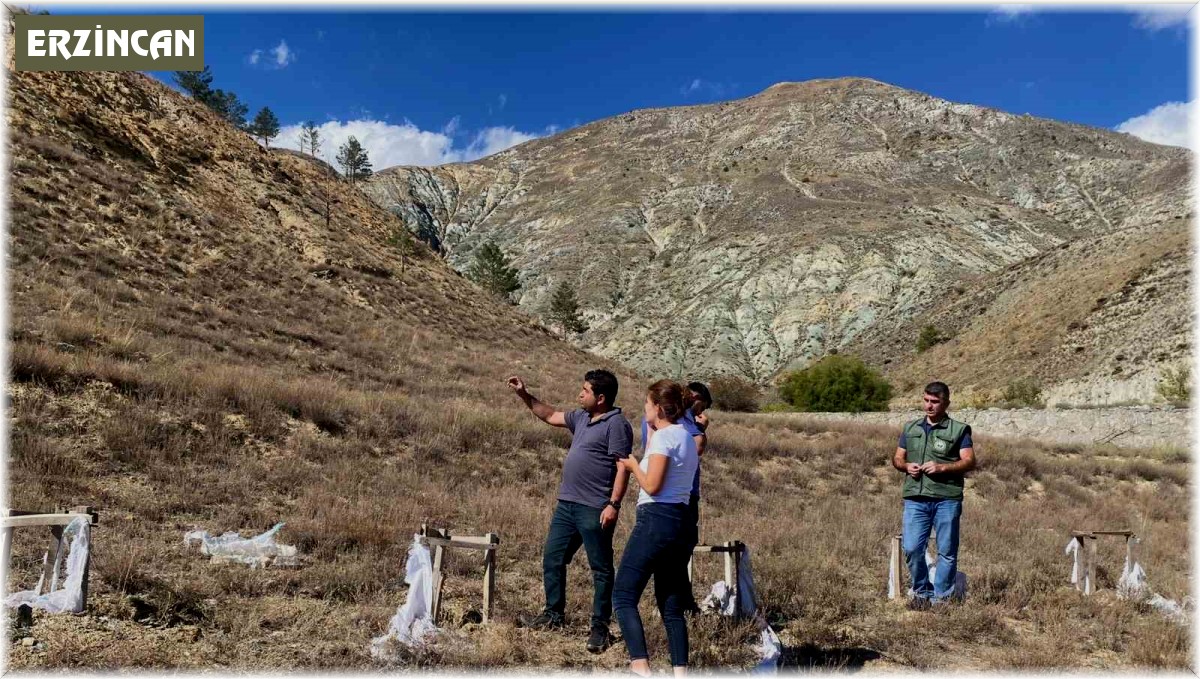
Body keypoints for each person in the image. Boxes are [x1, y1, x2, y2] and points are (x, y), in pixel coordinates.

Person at [507, 369, 633, 653]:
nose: (580, 394)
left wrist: (613, 504)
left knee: (600, 569)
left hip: (595, 508)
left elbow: (622, 466)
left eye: (585, 390)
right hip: (567, 505)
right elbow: (550, 415)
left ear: (601, 398)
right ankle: (553, 615)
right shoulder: (581, 418)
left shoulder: (617, 425)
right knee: (553, 557)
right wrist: (524, 394)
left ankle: (600, 627)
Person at [614, 380, 699, 676]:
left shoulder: (664, 438)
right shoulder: (687, 436)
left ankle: (640, 666)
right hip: (679, 522)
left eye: (648, 404)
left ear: (660, 408)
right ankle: (680, 672)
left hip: (655, 520)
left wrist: (633, 464)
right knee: (671, 606)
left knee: (623, 596)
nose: (645, 409)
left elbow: (652, 484)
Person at [891, 381, 976, 610]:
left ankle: (941, 599)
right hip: (916, 498)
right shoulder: (911, 428)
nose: (929, 406)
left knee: (946, 550)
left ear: (946, 403)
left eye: (935, 402)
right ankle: (921, 592)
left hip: (946, 498)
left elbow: (969, 460)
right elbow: (897, 458)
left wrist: (942, 468)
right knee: (911, 547)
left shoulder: (959, 429)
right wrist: (906, 466)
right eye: (926, 400)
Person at [641, 381, 711, 613]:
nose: (702, 412)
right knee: (680, 548)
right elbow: (697, 447)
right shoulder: (681, 422)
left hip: (664, 494)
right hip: (681, 494)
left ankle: (675, 601)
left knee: (671, 549)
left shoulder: (659, 420)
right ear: (694, 398)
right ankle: (679, 603)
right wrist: (702, 429)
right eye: (702, 405)